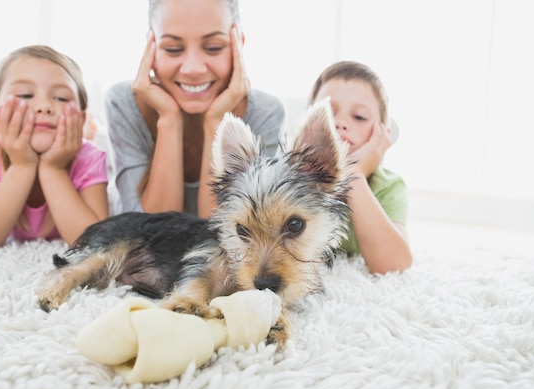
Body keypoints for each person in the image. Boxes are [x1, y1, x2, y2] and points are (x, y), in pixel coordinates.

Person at [105, 0, 286, 218]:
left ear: (239, 44)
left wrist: (216, 124)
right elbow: (145, 233)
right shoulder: (123, 103)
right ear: (150, 48)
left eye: (213, 48)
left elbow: (225, 236)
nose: (193, 68)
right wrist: (169, 120)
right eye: (173, 49)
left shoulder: (266, 113)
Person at [0, 45, 109, 249]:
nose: (44, 106)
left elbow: (95, 244)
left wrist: (53, 168)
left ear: (81, 118)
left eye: (61, 98)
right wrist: (22, 165)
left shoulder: (89, 157)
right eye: (25, 95)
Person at [308, 61, 412, 274]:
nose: (340, 123)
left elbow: (394, 266)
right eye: (327, 111)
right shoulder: (290, 176)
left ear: (383, 134)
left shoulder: (388, 186)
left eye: (359, 117)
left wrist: (353, 175)